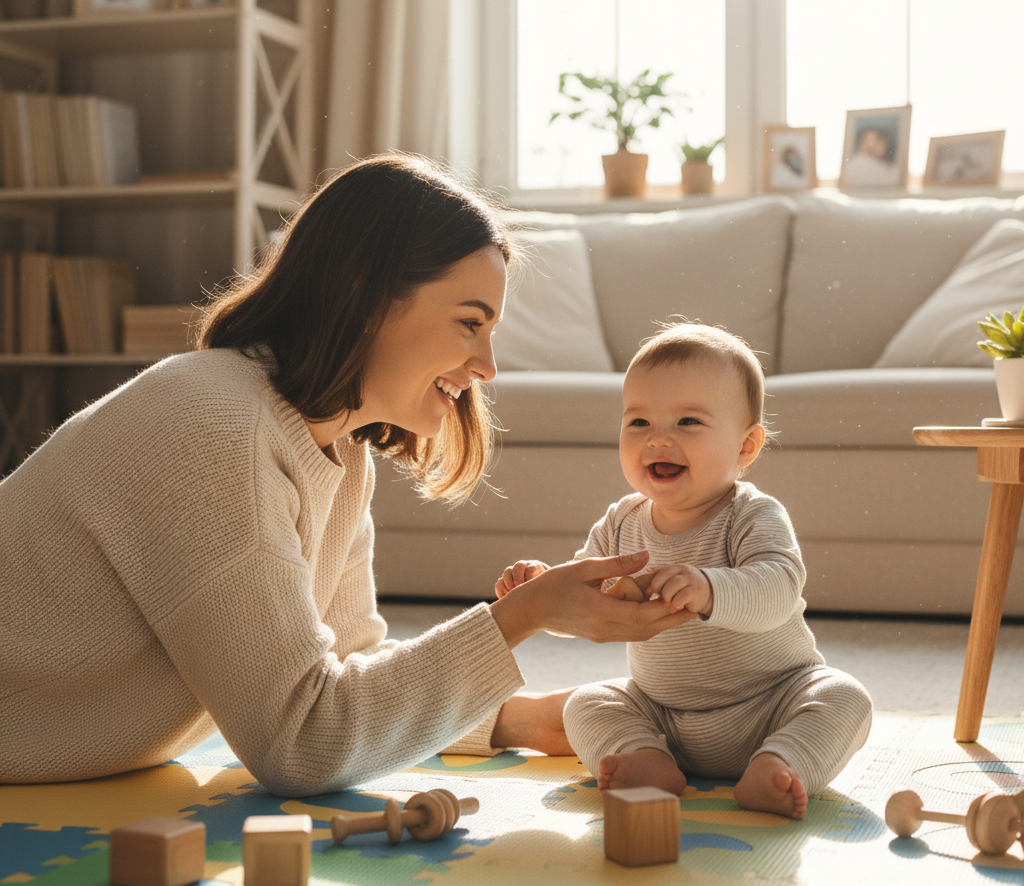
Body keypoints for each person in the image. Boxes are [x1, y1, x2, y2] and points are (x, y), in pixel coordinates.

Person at [0, 154, 694, 796]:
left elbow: (348, 675)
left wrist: (530, 719)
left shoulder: (339, 449)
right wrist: (523, 615)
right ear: (365, 295)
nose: (487, 366)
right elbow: (301, 742)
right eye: (468, 323)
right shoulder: (213, 426)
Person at [496, 323, 872, 818]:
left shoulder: (752, 515)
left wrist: (711, 588)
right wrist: (542, 588)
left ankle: (783, 765)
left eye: (688, 422)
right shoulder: (621, 520)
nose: (658, 440)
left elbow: (779, 588)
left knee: (847, 698)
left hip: (771, 703)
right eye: (639, 423)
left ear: (745, 447)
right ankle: (646, 761)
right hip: (664, 716)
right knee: (587, 703)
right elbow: (587, 600)